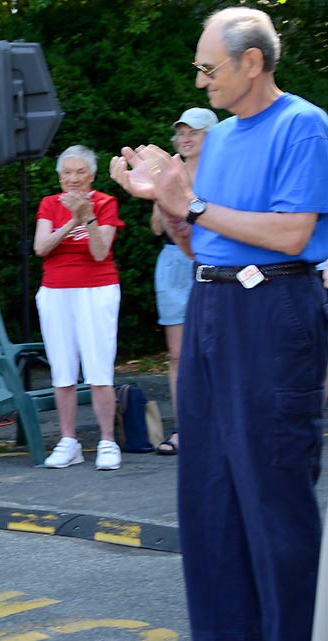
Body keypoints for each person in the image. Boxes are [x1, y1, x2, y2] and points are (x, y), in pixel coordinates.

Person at [110, 8, 328, 640]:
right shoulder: (224, 137)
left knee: (272, 495)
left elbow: (292, 234)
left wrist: (193, 202)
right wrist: (167, 207)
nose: (200, 79)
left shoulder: (304, 126)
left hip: (274, 312)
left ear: (252, 62)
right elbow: (202, 244)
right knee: (211, 497)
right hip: (212, 306)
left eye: (209, 66)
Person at [33, 145, 125, 471]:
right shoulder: (48, 204)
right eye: (67, 173)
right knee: (62, 370)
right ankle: (69, 441)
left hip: (97, 288)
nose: (73, 179)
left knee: (99, 369)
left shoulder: (105, 203)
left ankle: (107, 441)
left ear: (92, 176)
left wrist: (89, 217)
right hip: (56, 291)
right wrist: (73, 222)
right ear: (59, 177)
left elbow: (100, 253)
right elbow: (41, 247)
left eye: (80, 172)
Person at [151, 108, 218, 455]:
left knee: (217, 349)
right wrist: (163, 192)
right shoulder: (170, 173)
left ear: (213, 135)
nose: (186, 138)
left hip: (213, 261)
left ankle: (218, 425)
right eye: (181, 132)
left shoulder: (222, 172)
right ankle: (183, 429)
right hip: (173, 263)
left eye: (194, 132)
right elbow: (156, 227)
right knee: (178, 354)